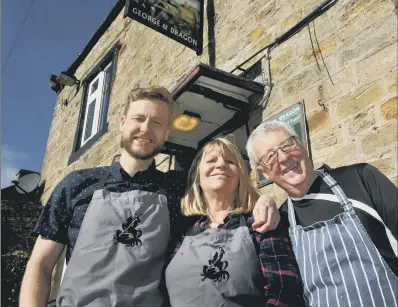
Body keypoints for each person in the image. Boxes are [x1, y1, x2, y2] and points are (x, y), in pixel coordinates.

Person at [20, 87, 280, 307]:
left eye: (156, 122)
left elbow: (221, 190)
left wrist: (264, 200)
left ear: (166, 133)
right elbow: (41, 264)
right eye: (139, 119)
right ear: (122, 123)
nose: (146, 129)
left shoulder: (177, 188)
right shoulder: (76, 184)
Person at [246, 120, 398, 307]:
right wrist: (263, 199)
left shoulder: (360, 179)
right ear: (264, 173)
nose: (284, 157)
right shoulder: (281, 222)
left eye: (287, 144)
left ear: (301, 143)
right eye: (270, 156)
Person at [165, 136, 306, 307]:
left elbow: (284, 290)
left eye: (230, 161)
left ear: (240, 174)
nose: (221, 165)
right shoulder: (180, 228)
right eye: (211, 160)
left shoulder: (260, 223)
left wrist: (265, 199)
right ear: (197, 175)